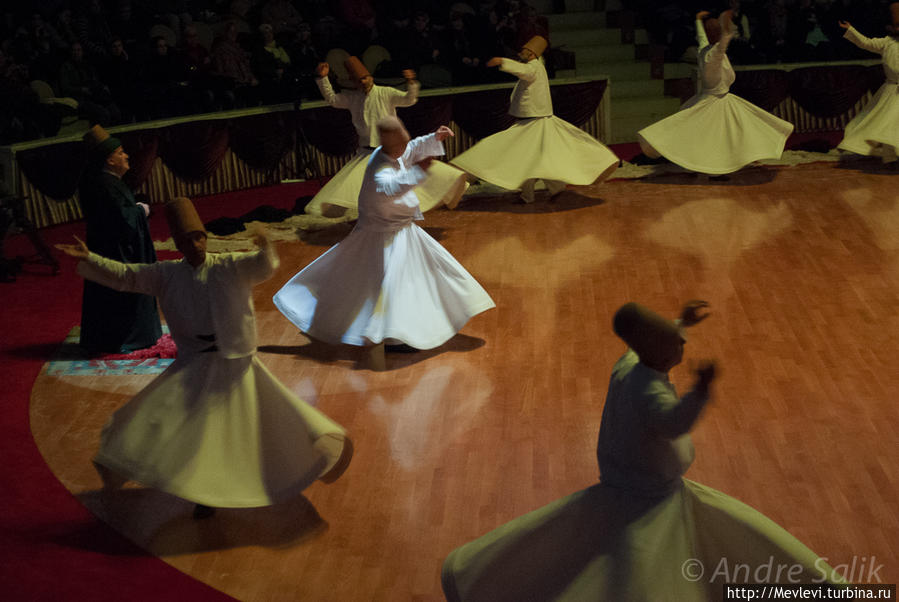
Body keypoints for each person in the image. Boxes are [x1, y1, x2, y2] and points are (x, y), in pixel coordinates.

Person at [441, 300, 845, 601]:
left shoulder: (630, 362)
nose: (682, 346)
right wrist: (701, 390)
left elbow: (655, 341)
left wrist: (681, 321)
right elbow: (674, 422)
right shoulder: (648, 389)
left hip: (629, 485)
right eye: (677, 344)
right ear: (661, 354)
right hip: (651, 499)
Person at [55, 197, 353, 519]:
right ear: (179, 245)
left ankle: (290, 464)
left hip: (236, 363)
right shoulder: (166, 274)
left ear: (206, 237)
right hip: (194, 362)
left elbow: (263, 266)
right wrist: (91, 259)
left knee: (263, 423)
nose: (194, 244)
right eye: (186, 240)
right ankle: (197, 488)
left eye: (198, 237)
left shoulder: (229, 266)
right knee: (166, 422)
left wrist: (266, 245)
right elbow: (128, 275)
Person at [274, 117, 495, 360]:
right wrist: (418, 171)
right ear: (389, 144)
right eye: (401, 142)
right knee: (392, 284)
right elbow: (392, 186)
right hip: (382, 237)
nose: (406, 146)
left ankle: (407, 328)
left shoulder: (396, 150)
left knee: (419, 277)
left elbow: (411, 148)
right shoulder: (378, 166)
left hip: (400, 230)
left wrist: (434, 138)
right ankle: (393, 336)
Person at [450, 36, 618, 204]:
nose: (520, 53)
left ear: (531, 54)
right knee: (534, 159)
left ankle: (535, 194)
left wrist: (502, 61)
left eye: (524, 51)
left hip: (535, 122)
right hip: (532, 121)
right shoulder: (536, 67)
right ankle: (548, 190)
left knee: (526, 158)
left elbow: (524, 71)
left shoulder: (534, 67)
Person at [304, 57, 468, 217]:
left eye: (365, 78)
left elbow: (409, 100)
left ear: (371, 77)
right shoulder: (353, 98)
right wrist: (323, 78)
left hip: (391, 152)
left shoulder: (385, 92)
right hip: (367, 153)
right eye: (359, 80)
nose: (363, 82)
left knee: (413, 179)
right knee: (353, 187)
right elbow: (333, 99)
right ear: (354, 83)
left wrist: (411, 83)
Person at [636, 10, 793, 176]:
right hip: (714, 102)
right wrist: (726, 26)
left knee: (727, 134)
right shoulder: (713, 55)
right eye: (715, 31)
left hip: (716, 99)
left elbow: (705, 39)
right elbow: (722, 44)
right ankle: (716, 170)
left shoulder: (704, 50)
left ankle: (721, 165)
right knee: (716, 138)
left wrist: (698, 21)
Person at [77, 125, 161, 353]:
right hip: (118, 252)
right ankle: (125, 337)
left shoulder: (104, 181)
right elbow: (123, 221)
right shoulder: (104, 184)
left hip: (108, 247)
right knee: (122, 295)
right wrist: (141, 210)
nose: (126, 156)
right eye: (120, 153)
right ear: (109, 160)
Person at [836, 4, 899, 162]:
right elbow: (866, 43)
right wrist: (851, 29)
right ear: (891, 28)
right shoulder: (887, 43)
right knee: (886, 124)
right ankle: (890, 157)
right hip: (892, 91)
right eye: (897, 26)